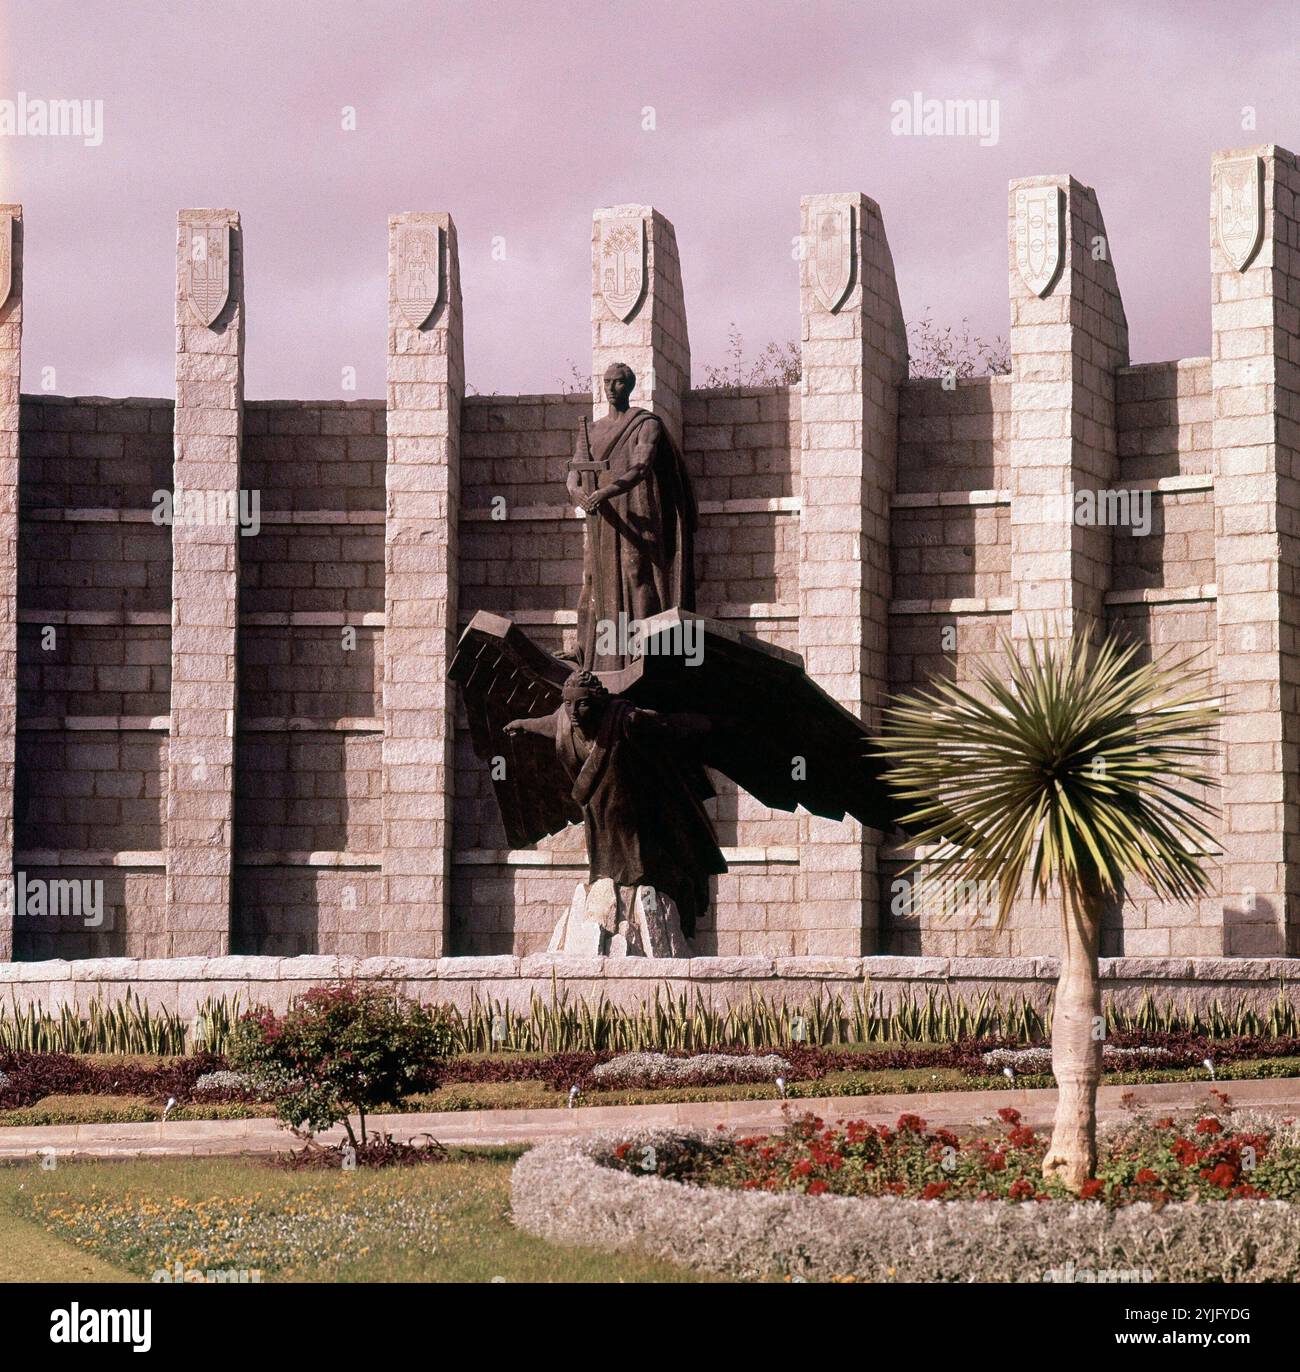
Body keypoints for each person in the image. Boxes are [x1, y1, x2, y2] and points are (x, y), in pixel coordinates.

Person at [504, 670, 723, 935]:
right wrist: (522, 724)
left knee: (639, 853)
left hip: (630, 804)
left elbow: (663, 724)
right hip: (597, 808)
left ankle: (661, 889)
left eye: (582, 703)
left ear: (596, 702)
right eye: (568, 703)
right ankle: (608, 884)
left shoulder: (623, 719)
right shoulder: (564, 721)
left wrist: (702, 723)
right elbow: (546, 724)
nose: (573, 711)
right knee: (604, 850)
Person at [567, 362, 697, 670]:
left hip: (634, 511)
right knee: (590, 581)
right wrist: (576, 492)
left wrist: (604, 492)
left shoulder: (645, 424)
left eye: (619, 383)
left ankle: (647, 648)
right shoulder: (591, 430)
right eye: (607, 382)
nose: (612, 388)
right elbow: (573, 472)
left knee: (636, 573)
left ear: (631, 386)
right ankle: (583, 649)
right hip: (601, 519)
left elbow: (640, 467)